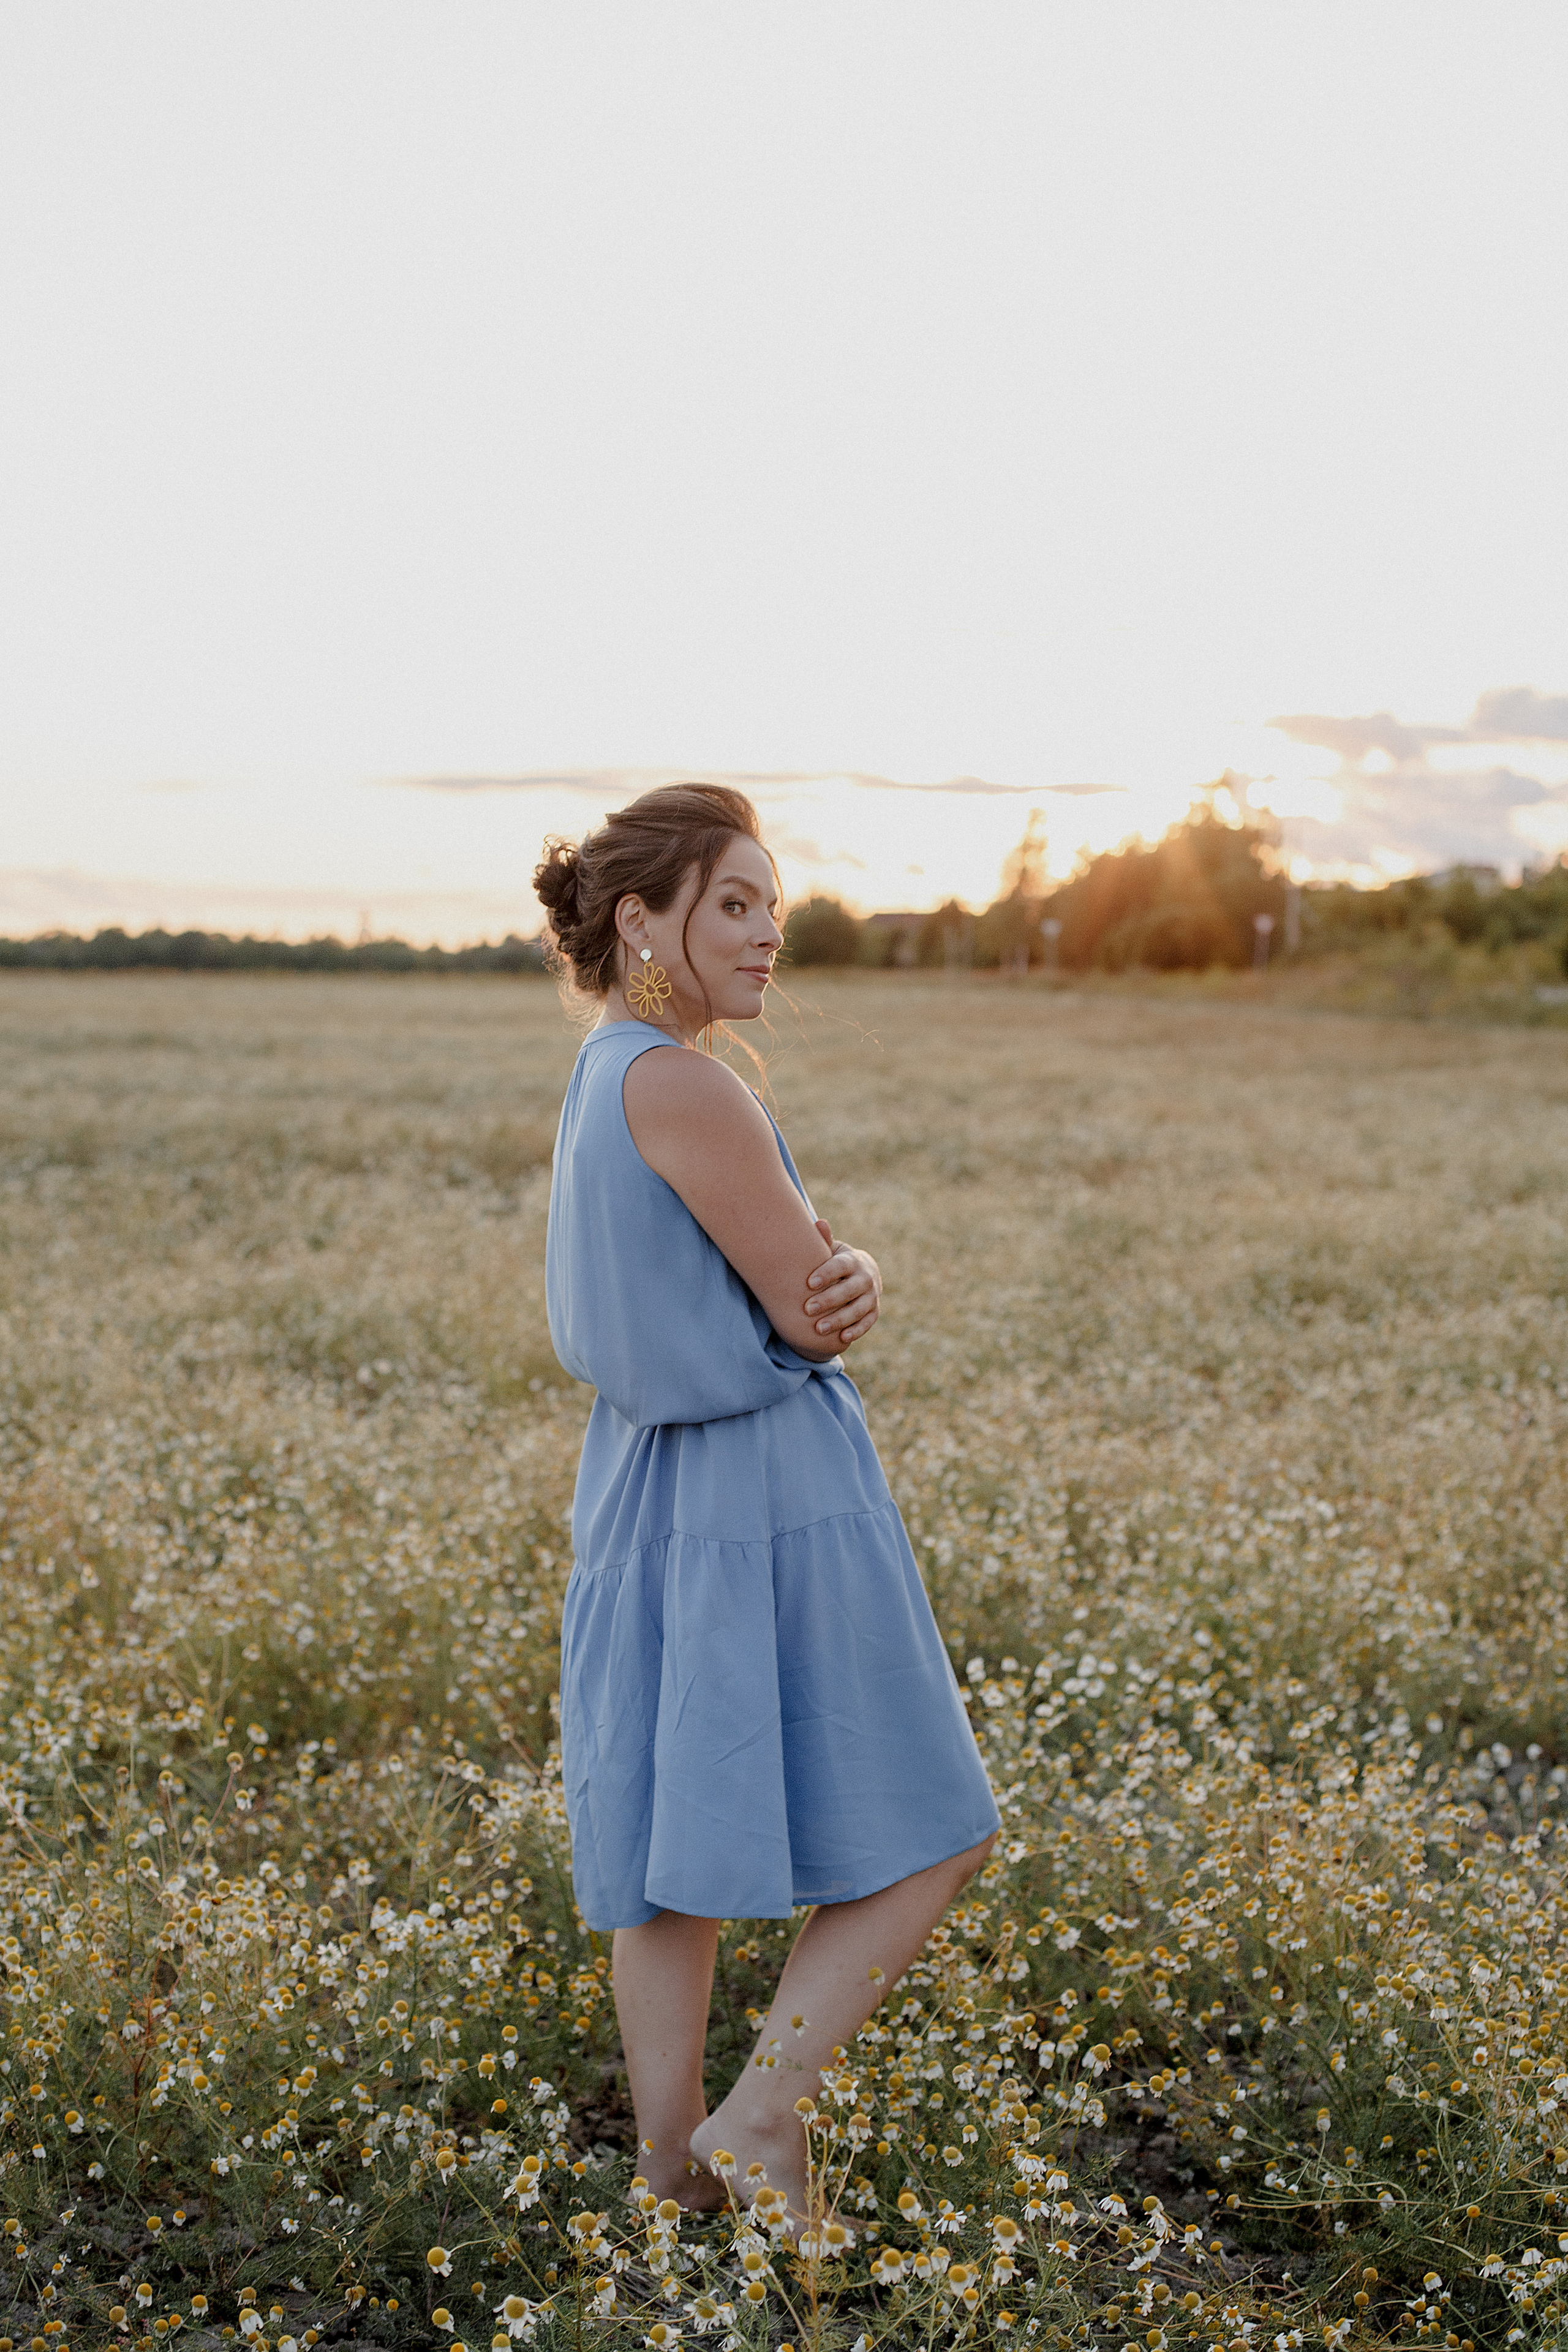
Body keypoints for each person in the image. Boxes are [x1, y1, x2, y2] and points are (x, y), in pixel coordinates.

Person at [535, 783, 999, 2220]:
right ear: (641, 920)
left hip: (643, 1485)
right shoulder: (688, 1083)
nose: (764, 935)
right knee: (942, 1825)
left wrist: (830, 1272)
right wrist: (859, 1272)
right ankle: (761, 2117)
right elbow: (810, 1311)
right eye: (732, 903)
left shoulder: (606, 1071)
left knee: (671, 1861)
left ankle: (668, 2177)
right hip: (766, 1482)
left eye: (771, 909)